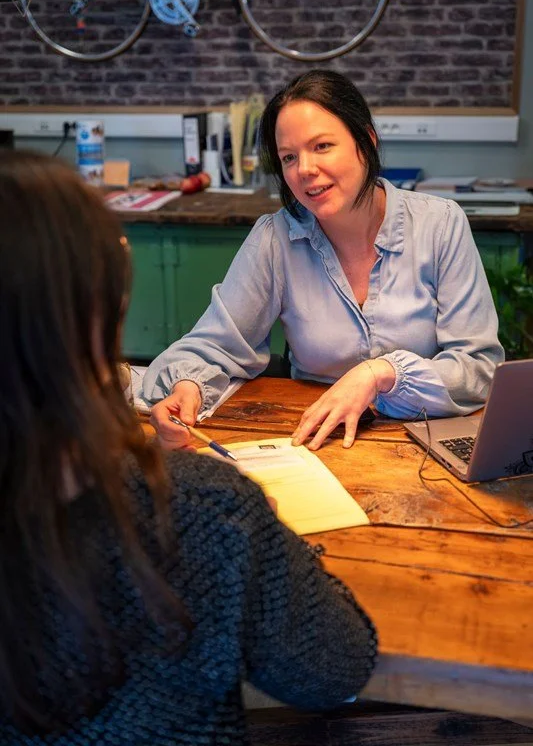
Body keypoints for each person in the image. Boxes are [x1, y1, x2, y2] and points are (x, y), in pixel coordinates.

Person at [0, 150, 377, 744]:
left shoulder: (436, 223)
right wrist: (266, 541)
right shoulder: (206, 513)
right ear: (97, 316)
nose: (307, 168)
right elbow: (336, 670)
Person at [145, 69, 504, 451]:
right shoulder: (275, 238)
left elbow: (479, 368)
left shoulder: (440, 224)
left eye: (322, 147)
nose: (305, 170)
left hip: (423, 446)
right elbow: (215, 345)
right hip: (315, 442)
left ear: (365, 141)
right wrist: (188, 387)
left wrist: (380, 373)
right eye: (288, 157)